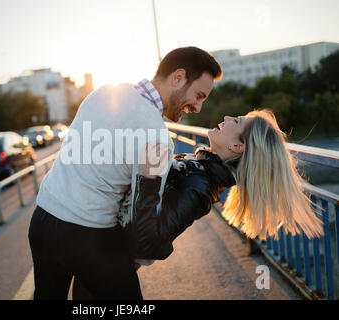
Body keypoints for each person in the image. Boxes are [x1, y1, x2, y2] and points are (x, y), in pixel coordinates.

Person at [27, 46, 222, 300]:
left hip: (42, 220)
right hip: (86, 236)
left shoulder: (104, 93)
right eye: (198, 95)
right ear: (177, 77)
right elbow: (142, 222)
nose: (197, 107)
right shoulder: (156, 136)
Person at [128, 109, 324, 263]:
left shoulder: (200, 186)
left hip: (112, 258)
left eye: (237, 121)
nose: (227, 117)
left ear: (238, 147)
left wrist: (149, 178)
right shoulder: (198, 168)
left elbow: (147, 243)